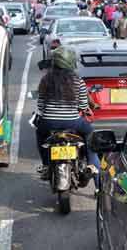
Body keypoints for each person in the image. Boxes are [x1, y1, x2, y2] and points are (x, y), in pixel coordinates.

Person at [36, 47, 100, 186]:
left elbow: (40, 106)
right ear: (71, 63)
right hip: (73, 122)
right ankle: (91, 166)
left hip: (48, 123)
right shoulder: (78, 81)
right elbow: (83, 106)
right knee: (90, 136)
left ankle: (46, 164)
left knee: (40, 134)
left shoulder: (45, 80)